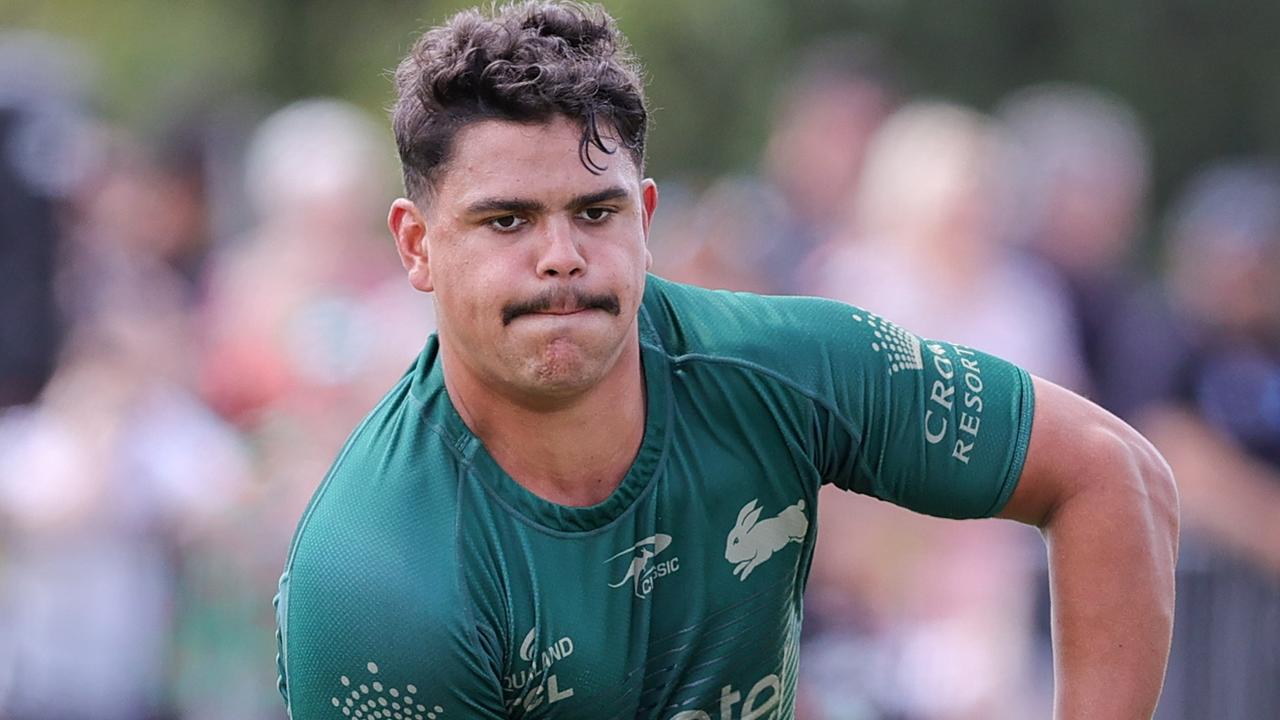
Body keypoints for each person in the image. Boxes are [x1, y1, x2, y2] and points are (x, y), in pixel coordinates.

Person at [273, 3, 1178, 719]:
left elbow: (1113, 476)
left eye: (596, 212)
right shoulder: (372, 576)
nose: (561, 256)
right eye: (506, 220)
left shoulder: (782, 368)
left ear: (647, 219)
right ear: (417, 245)